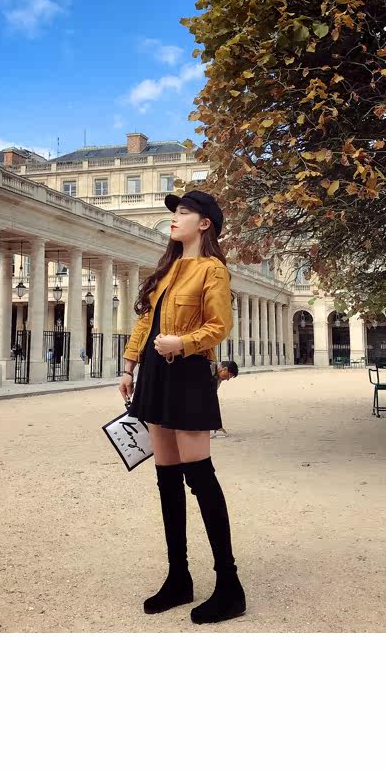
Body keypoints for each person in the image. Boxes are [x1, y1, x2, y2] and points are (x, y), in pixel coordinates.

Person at [119, 189, 246, 625]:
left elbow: (219, 326)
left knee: (200, 478)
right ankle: (179, 577)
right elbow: (146, 321)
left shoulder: (213, 270)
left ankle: (229, 585)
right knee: (166, 480)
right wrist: (129, 365)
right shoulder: (168, 268)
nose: (174, 217)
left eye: (184, 211)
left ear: (204, 223)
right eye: (174, 211)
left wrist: (183, 342)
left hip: (188, 373)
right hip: (154, 374)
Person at [211, 360, 238, 438]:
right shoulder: (209, 367)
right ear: (225, 369)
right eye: (229, 375)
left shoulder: (217, 380)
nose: (228, 379)